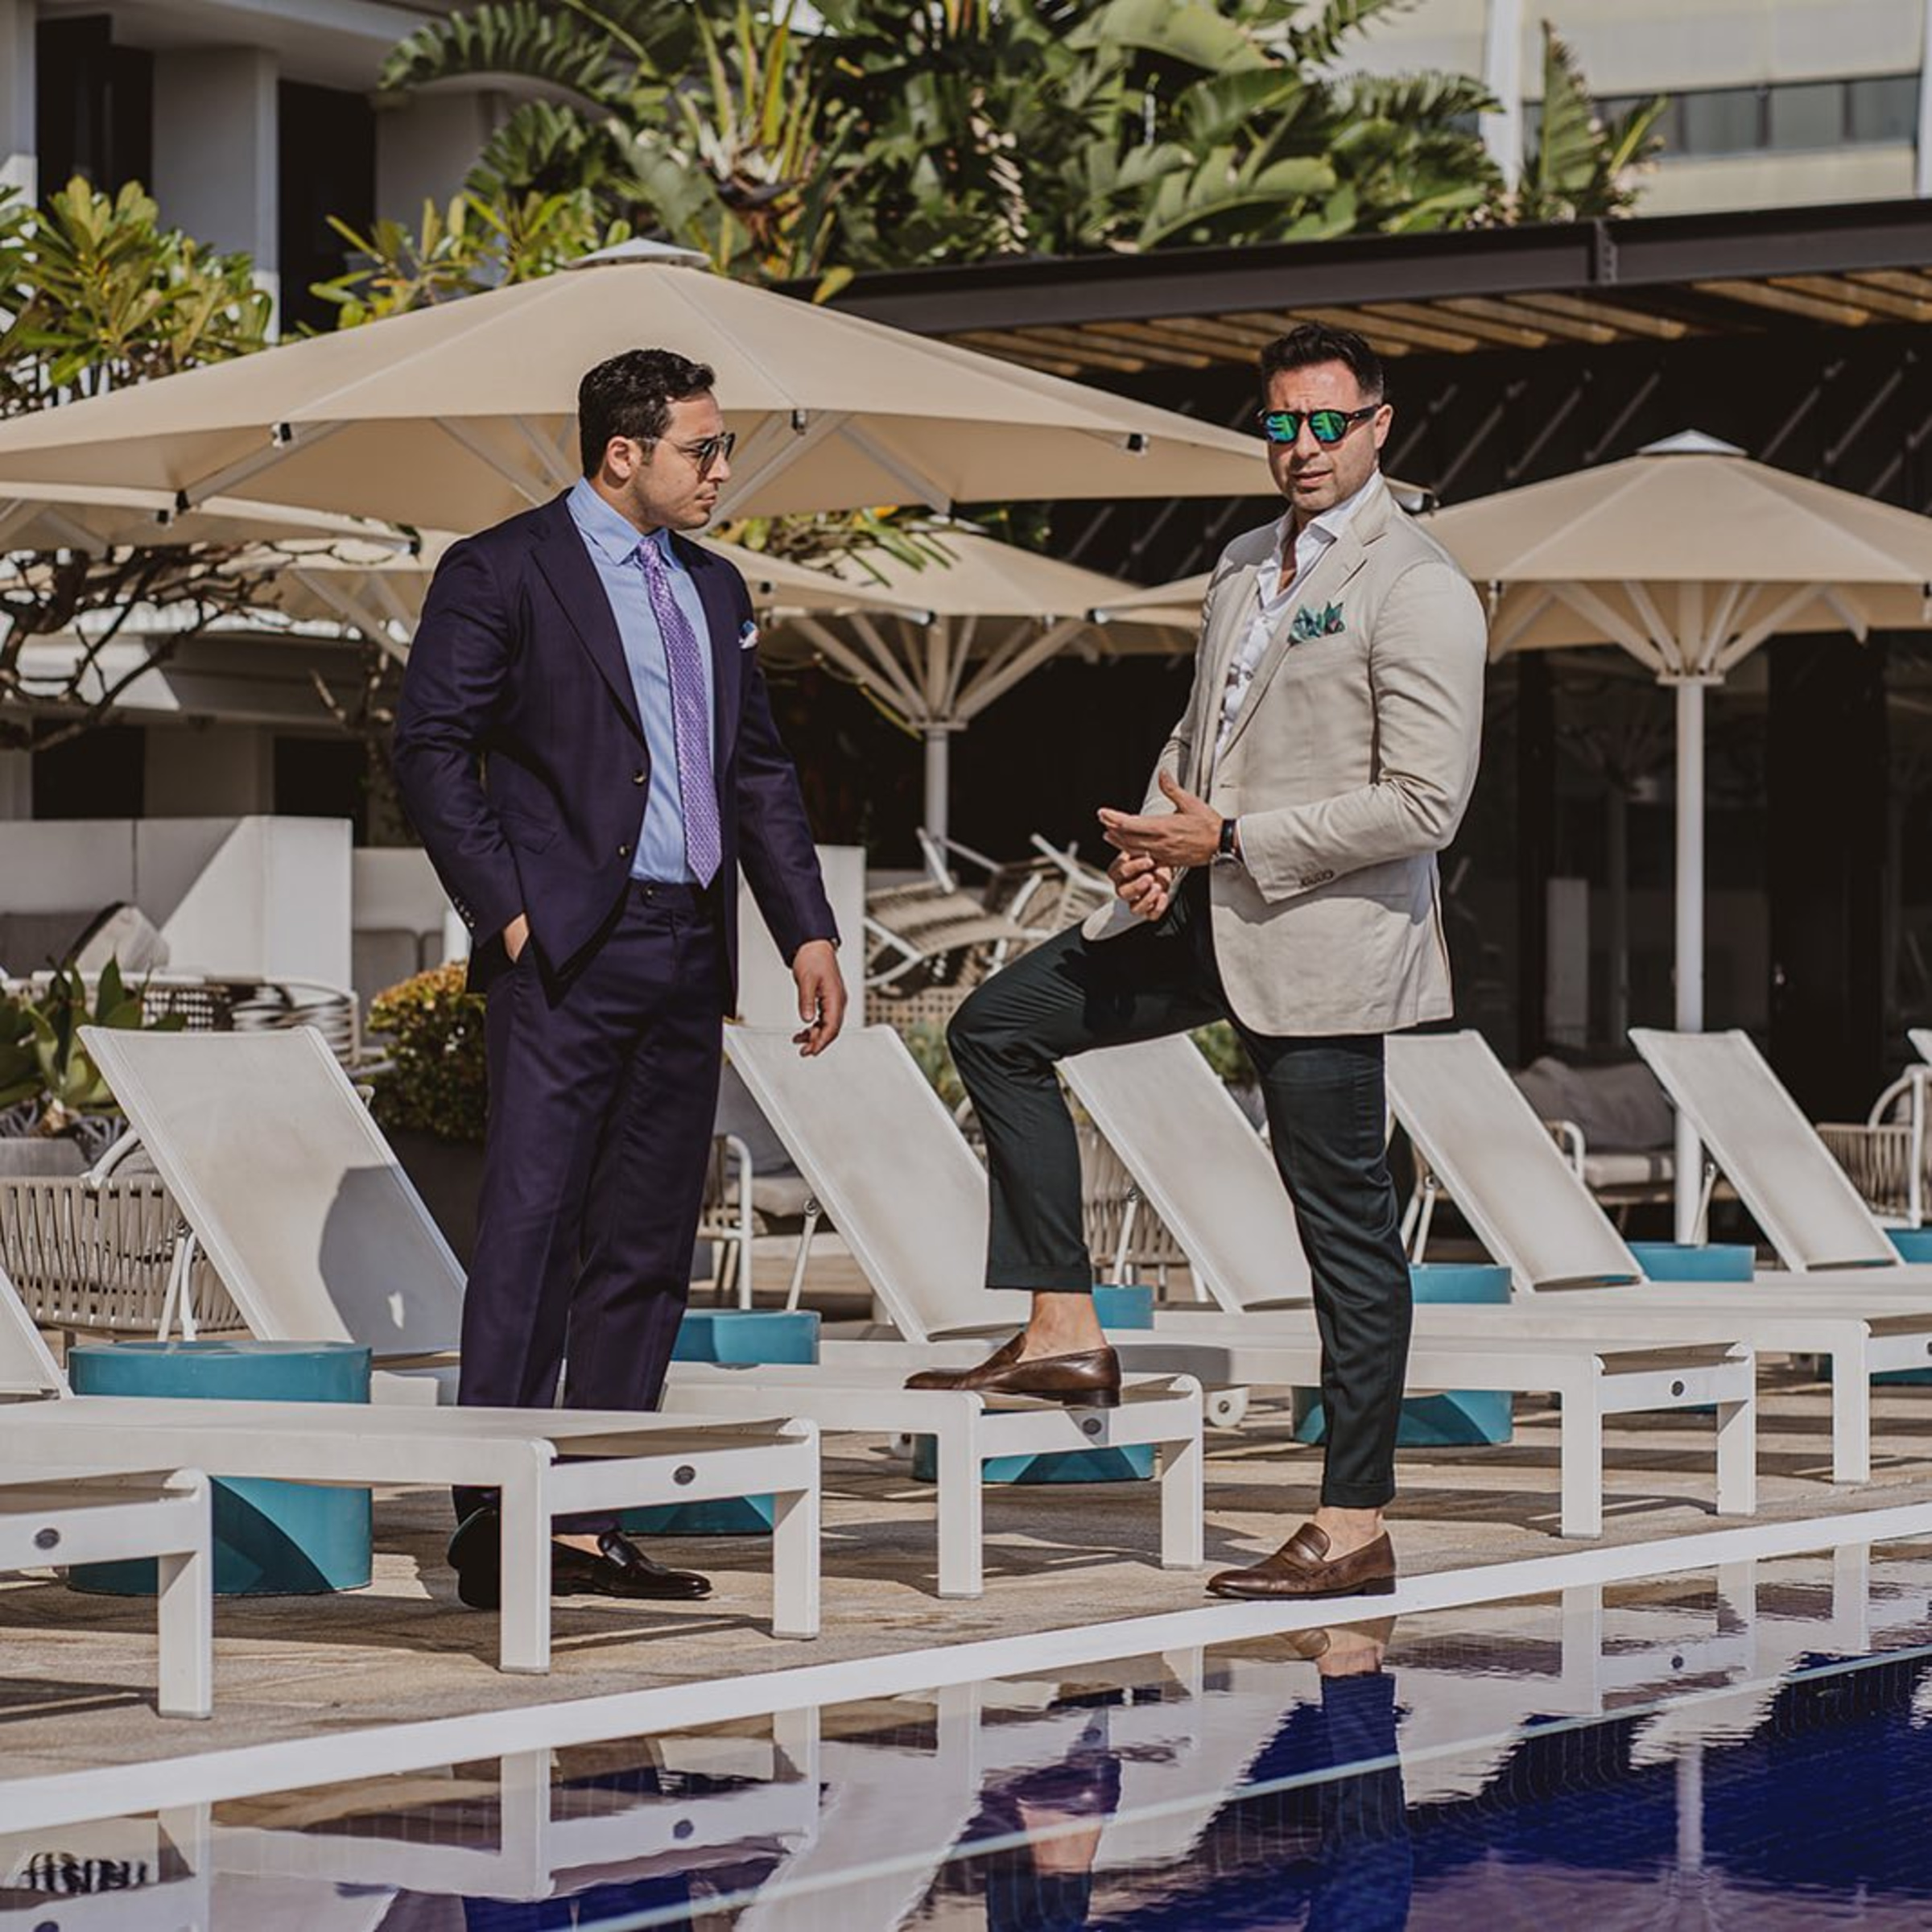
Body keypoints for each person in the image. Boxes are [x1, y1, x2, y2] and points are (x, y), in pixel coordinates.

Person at [909, 322, 1485, 1602]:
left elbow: (1425, 807)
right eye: (1283, 424)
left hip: (1324, 943)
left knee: (1344, 1233)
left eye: (1329, 423)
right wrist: (1156, 840)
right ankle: (1063, 1324)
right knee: (999, 1026)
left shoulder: (1419, 585)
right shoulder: (1238, 563)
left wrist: (1231, 837)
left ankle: (1353, 1521)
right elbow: (1200, 730)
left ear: (1380, 426)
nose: (1304, 448)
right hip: (1198, 911)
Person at [392, 347, 846, 1612]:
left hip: (687, 943)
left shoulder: (714, 586)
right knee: (532, 1232)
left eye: (722, 446)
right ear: (621, 454)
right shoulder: (501, 569)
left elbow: (754, 769)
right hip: (569, 945)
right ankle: (494, 1522)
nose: (721, 469)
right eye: (703, 449)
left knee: (647, 1242)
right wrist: (514, 913)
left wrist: (804, 928)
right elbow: (430, 750)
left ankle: (586, 1521)